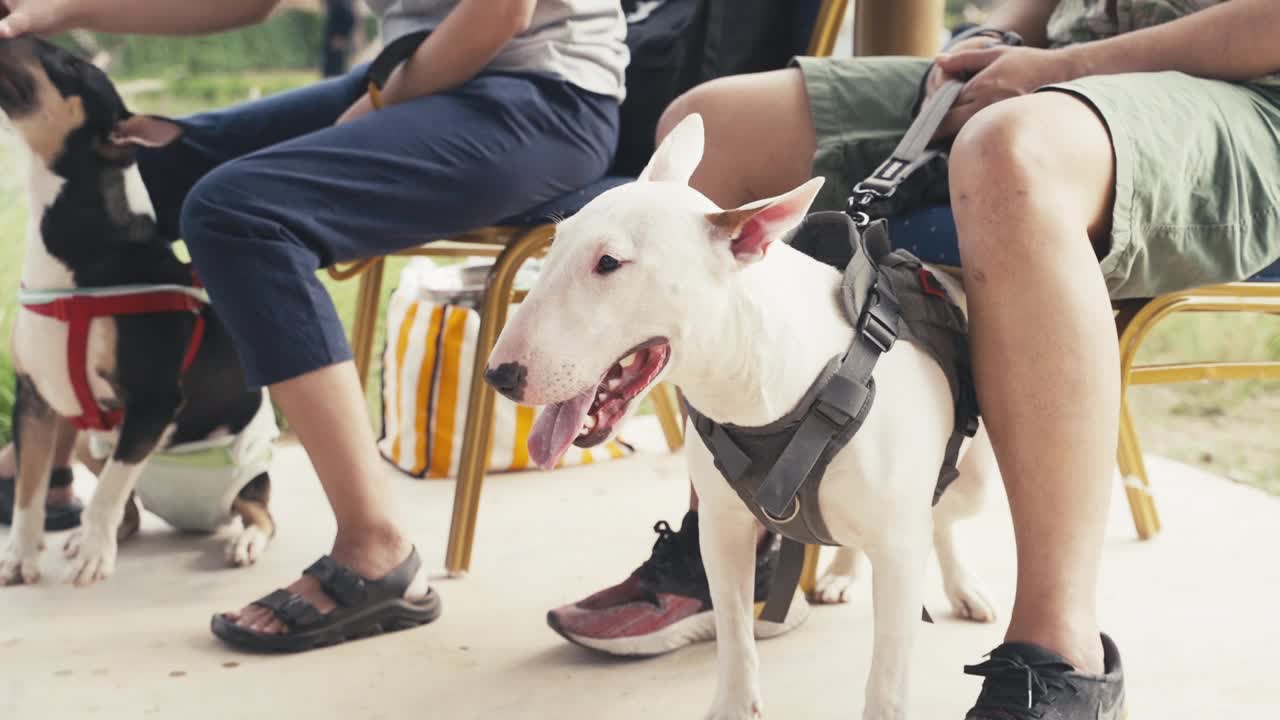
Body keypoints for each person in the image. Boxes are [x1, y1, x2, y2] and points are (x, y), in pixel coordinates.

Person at [547, 1, 1280, 717]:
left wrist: (1063, 66)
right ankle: (743, 535)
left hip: (1245, 92)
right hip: (1064, 67)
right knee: (712, 125)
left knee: (1005, 150)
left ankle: (1060, 652)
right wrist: (999, 35)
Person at [0, 0, 628, 652]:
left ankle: (376, 548)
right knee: (136, 170)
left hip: (540, 98)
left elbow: (499, 12)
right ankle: (45, 451)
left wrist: (383, 105)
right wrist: (54, 10)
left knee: (236, 213)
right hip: (419, 75)